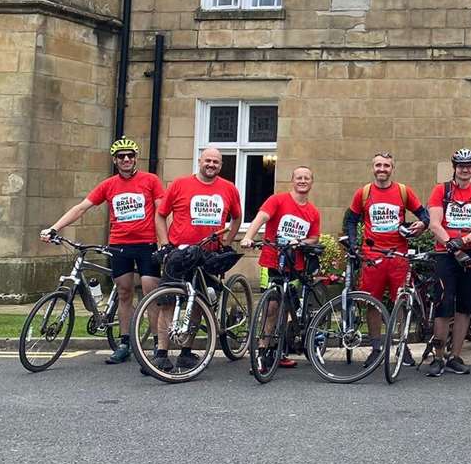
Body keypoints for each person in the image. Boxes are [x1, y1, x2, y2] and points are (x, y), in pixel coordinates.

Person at [42, 137, 164, 365]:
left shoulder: (151, 180)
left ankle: (159, 347)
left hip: (147, 244)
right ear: (115, 160)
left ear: (136, 158)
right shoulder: (109, 185)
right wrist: (54, 228)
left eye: (130, 155)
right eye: (121, 156)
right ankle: (124, 343)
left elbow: (162, 211)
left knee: (150, 292)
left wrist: (167, 240)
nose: (126, 159)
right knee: (124, 292)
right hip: (119, 245)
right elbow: (81, 208)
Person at [153, 146, 242, 373]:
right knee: (167, 302)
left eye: (216, 162)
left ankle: (185, 353)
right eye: (208, 161)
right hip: (180, 252)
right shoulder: (180, 184)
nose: (211, 165)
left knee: (199, 303)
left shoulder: (229, 188)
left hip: (209, 254)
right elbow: (160, 214)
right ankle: (161, 353)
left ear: (221, 166)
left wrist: (227, 242)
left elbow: (237, 217)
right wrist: (164, 244)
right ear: (199, 161)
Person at [343, 152, 426, 365]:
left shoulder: (403, 191)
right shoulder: (363, 193)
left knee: (402, 302)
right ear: (373, 168)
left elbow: (424, 215)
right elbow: (350, 220)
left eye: (386, 165)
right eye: (378, 165)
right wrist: (354, 245)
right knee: (373, 303)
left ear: (392, 168)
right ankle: (376, 347)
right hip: (373, 256)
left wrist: (421, 226)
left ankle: (402, 345)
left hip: (398, 255)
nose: (382, 169)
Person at [241, 165, 321, 368]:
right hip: (272, 261)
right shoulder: (278, 200)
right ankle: (261, 352)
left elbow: (314, 238)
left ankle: (279, 349)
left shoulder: (312, 212)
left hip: (296, 265)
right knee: (271, 308)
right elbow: (261, 217)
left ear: (311, 182)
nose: (302, 181)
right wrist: (249, 237)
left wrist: (300, 242)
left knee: (287, 307)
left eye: (306, 178)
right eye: (299, 177)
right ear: (292, 181)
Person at [427, 148, 471, 376]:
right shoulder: (441, 191)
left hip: (470, 253)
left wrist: (462, 241)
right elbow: (435, 223)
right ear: (454, 168)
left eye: (469, 166)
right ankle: (437, 356)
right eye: (461, 166)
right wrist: (450, 244)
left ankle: (455, 356)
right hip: (445, 255)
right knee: (444, 306)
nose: (465, 169)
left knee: (465, 307)